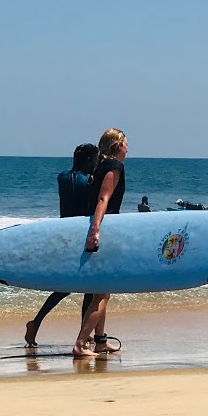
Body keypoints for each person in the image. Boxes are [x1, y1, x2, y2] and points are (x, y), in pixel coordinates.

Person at [24, 143, 99, 347]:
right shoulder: (88, 182)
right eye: (95, 160)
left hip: (64, 235)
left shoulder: (62, 178)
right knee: (89, 288)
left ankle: (37, 323)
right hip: (81, 236)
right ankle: (82, 334)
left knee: (64, 287)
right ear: (89, 161)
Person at [75, 129, 129, 358]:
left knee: (101, 290)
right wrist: (95, 231)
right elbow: (103, 199)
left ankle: (99, 342)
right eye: (126, 143)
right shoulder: (114, 168)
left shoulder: (99, 167)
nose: (128, 148)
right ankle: (79, 343)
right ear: (117, 146)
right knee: (103, 293)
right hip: (104, 229)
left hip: (100, 227)